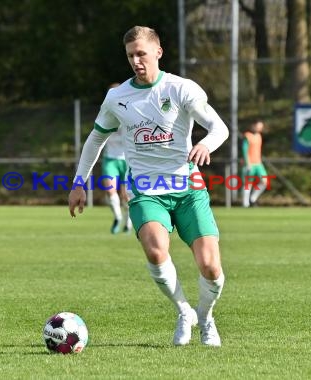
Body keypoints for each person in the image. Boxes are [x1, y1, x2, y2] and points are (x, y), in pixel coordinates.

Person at [68, 26, 229, 346]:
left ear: (158, 52)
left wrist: (207, 144)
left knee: (210, 266)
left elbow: (218, 127)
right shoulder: (117, 98)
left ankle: (206, 317)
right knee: (156, 251)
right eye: (130, 56)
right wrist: (78, 182)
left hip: (188, 188)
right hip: (144, 190)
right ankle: (184, 311)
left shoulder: (181, 89)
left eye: (141, 53)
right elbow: (96, 138)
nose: (136, 61)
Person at [101, 83, 132, 234]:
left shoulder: (130, 113)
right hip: (110, 159)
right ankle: (118, 217)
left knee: (126, 195)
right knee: (110, 190)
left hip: (126, 160)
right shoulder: (105, 113)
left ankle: (128, 222)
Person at [241, 120, 268, 207]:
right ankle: (245, 204)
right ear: (253, 125)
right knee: (248, 183)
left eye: (261, 127)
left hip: (258, 163)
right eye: (258, 126)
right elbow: (244, 150)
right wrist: (247, 163)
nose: (259, 128)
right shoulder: (247, 136)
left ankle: (253, 199)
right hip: (250, 163)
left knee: (264, 181)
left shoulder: (259, 136)